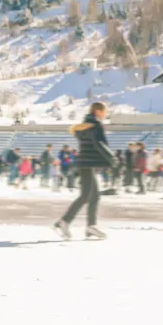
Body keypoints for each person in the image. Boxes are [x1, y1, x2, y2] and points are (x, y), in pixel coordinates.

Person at [54, 102, 116, 240]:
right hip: (87, 163)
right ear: (99, 111)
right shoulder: (96, 125)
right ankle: (64, 221)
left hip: (85, 163)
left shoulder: (84, 126)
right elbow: (100, 144)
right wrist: (112, 158)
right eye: (104, 111)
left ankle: (91, 227)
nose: (105, 114)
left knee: (94, 196)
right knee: (85, 196)